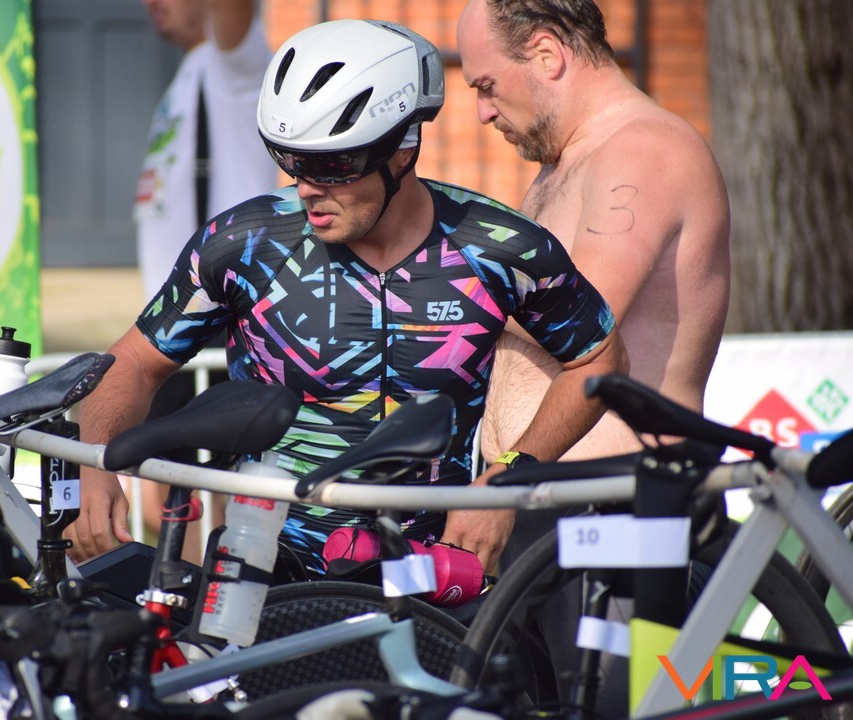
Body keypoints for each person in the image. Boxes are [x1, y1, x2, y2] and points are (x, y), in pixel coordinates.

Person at [67, 18, 629, 575]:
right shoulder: (244, 243)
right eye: (289, 159)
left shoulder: (502, 248)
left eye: (333, 164)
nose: (307, 187)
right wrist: (96, 466)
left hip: (430, 575)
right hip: (265, 569)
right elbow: (133, 362)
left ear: (403, 149)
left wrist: (506, 478)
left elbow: (599, 360)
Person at [452, 0, 731, 714]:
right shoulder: (570, 164)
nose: (482, 112)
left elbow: (583, 335)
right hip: (548, 503)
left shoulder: (642, 152)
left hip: (619, 509)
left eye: (486, 85)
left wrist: (504, 479)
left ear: (547, 55)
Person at [134, 0, 278, 559]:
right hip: (179, 325)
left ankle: (212, 607)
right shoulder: (190, 74)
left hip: (217, 325)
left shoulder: (233, 66)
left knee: (201, 502)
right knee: (166, 500)